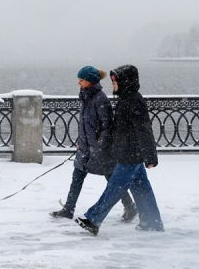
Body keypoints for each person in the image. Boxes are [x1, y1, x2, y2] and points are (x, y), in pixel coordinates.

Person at [75, 64, 164, 236]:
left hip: (130, 154)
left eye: (116, 81)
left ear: (125, 82)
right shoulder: (126, 98)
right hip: (130, 152)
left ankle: (93, 220)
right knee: (141, 188)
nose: (113, 84)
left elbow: (144, 130)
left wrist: (150, 156)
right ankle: (151, 222)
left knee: (114, 187)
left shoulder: (133, 101)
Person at [50, 66, 138, 222]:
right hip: (86, 148)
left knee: (112, 179)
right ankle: (69, 209)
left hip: (99, 150)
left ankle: (130, 206)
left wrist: (100, 144)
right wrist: (81, 142)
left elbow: (107, 125)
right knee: (77, 176)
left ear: (90, 81)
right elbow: (85, 125)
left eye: (81, 80)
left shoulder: (100, 99)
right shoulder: (86, 97)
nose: (79, 83)